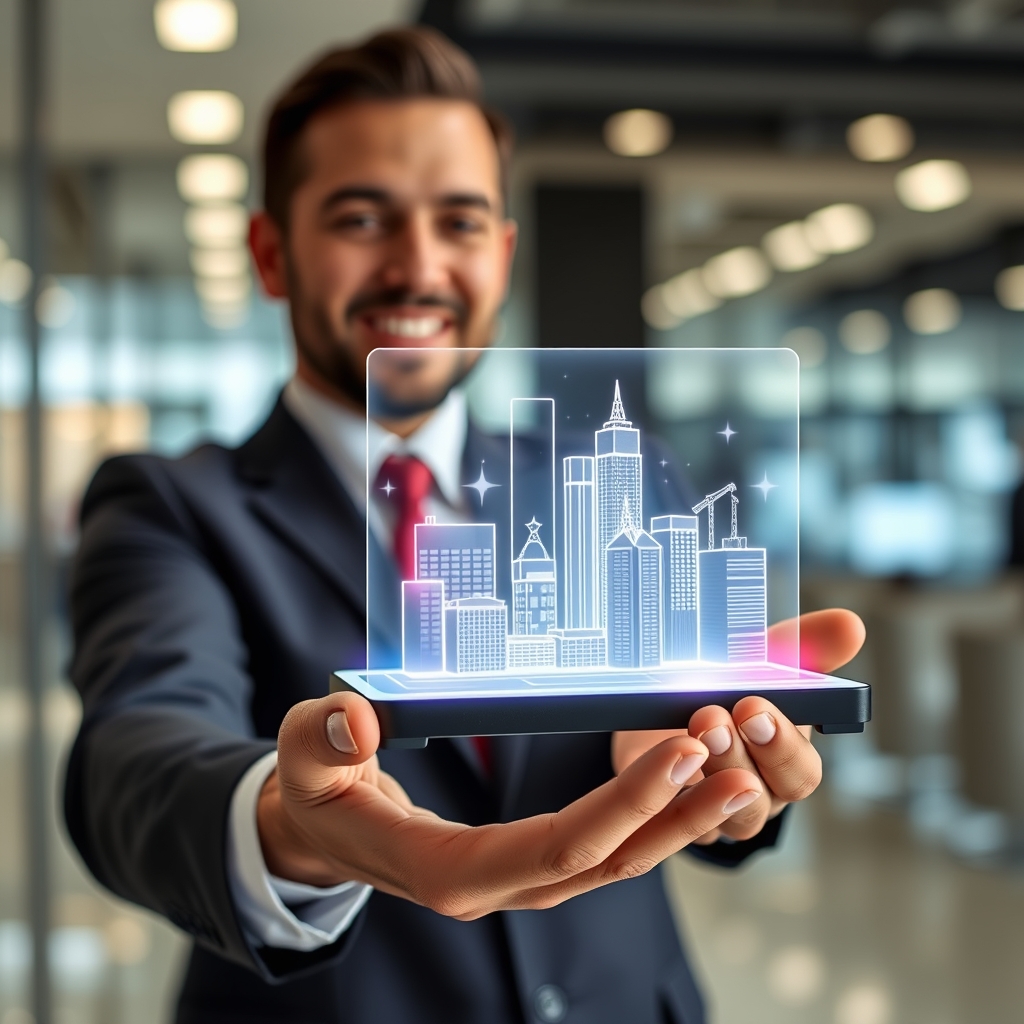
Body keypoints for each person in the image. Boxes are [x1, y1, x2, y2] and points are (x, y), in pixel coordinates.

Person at [64, 26, 865, 1024]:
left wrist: (721, 779)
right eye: (362, 219)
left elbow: (712, 775)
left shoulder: (617, 483)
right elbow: (137, 750)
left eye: (460, 221)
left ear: (503, 251)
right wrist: (290, 826)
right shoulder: (172, 505)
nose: (418, 267)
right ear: (270, 253)